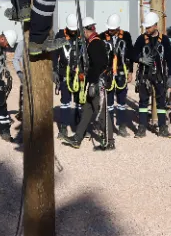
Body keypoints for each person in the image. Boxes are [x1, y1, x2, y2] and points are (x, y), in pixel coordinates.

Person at [62, 17, 111, 149]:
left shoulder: (95, 44)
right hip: (92, 82)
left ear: (85, 30)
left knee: (101, 112)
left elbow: (99, 65)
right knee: (86, 111)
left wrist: (88, 78)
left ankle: (109, 140)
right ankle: (77, 138)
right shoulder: (91, 42)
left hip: (96, 83)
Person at [132, 12, 171, 139]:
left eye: (149, 27)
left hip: (160, 75)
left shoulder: (164, 40)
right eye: (146, 27)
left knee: (161, 102)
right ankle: (142, 128)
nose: (147, 29)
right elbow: (132, 55)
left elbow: (169, 59)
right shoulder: (141, 39)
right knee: (143, 102)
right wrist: (140, 59)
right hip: (144, 75)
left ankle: (162, 128)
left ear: (155, 25)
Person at [101, 14, 135, 137]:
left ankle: (122, 126)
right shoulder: (102, 37)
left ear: (118, 28)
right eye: (109, 29)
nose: (110, 31)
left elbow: (130, 54)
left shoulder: (126, 36)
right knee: (109, 102)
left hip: (121, 71)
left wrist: (130, 71)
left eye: (113, 29)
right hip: (108, 73)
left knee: (121, 101)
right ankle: (109, 126)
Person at [53, 14, 82, 139]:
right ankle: (64, 128)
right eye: (72, 30)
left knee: (79, 101)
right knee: (65, 101)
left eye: (75, 30)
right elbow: (54, 54)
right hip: (64, 72)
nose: (74, 32)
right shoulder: (60, 36)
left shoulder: (81, 35)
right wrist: (54, 71)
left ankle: (79, 125)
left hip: (78, 73)